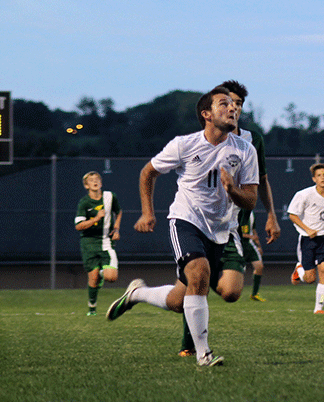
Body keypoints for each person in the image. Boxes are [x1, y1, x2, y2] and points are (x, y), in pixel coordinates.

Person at [105, 86, 258, 367]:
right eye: (223, 104)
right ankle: (204, 355)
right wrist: (147, 213)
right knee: (199, 272)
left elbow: (250, 200)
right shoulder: (184, 144)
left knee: (182, 300)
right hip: (186, 220)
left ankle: (137, 294)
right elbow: (148, 172)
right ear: (206, 114)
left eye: (234, 105)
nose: (233, 109)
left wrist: (232, 190)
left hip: (222, 229)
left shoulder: (245, 150)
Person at [177, 80, 279, 356]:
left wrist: (271, 214)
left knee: (230, 292)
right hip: (201, 222)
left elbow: (262, 180)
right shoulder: (203, 139)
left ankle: (147, 294)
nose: (234, 107)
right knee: (197, 279)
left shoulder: (252, 140)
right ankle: (191, 345)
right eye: (228, 101)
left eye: (239, 103)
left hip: (233, 224)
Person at [287, 163, 324, 314]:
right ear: (314, 179)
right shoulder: (304, 195)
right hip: (307, 239)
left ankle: (318, 308)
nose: (322, 178)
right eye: (319, 175)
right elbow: (292, 215)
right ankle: (299, 269)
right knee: (310, 279)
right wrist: (307, 229)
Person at [75, 171, 122, 316]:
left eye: (97, 179)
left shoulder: (110, 197)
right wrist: (95, 218)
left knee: (111, 277)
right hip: (89, 243)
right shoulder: (84, 203)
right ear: (86, 185)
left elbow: (118, 211)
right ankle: (92, 308)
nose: (95, 181)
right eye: (91, 180)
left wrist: (116, 229)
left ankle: (102, 274)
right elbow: (78, 226)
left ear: (101, 183)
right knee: (93, 278)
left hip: (106, 242)